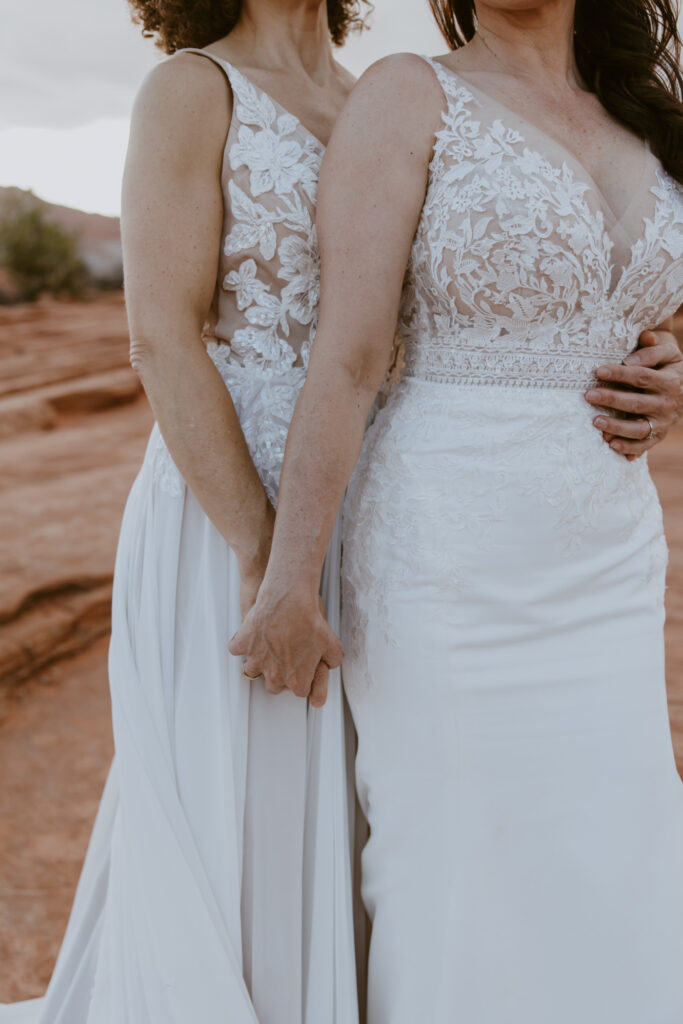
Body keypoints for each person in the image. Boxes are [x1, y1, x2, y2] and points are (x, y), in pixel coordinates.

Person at [231, 1, 683, 1021]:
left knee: (614, 850)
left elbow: (654, 308)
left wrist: (671, 371)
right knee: (464, 858)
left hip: (606, 559)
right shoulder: (408, 94)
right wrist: (290, 579)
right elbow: (345, 360)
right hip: (448, 555)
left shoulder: (648, 115)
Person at [0, 1, 366, 1021]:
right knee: (245, 798)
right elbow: (161, 335)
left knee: (351, 793)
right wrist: (262, 548)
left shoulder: (376, 96)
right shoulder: (191, 90)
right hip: (228, 508)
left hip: (367, 500)